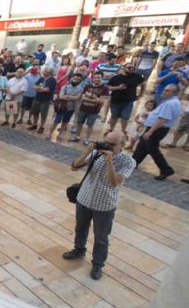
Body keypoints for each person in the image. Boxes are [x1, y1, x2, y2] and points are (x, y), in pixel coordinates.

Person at [63, 131, 136, 280]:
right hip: (84, 198)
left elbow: (114, 182)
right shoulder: (96, 154)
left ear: (123, 145)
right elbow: (74, 167)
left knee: (101, 237)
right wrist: (88, 151)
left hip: (104, 204)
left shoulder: (128, 162)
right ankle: (79, 250)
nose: (107, 146)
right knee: (80, 228)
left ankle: (97, 264)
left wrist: (109, 161)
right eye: (106, 142)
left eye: (112, 144)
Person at [132, 84, 182, 181]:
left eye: (167, 90)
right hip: (156, 129)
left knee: (152, 149)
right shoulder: (172, 102)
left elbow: (162, 119)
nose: (164, 91)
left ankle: (166, 169)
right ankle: (133, 163)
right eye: (164, 89)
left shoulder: (170, 103)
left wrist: (150, 131)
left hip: (156, 130)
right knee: (142, 146)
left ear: (174, 93)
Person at [106, 63, 145, 133]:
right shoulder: (116, 78)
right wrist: (118, 87)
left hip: (128, 102)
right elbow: (108, 88)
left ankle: (123, 131)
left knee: (125, 118)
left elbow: (144, 84)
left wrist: (140, 94)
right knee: (114, 116)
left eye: (133, 68)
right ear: (124, 68)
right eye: (129, 67)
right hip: (115, 101)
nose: (131, 69)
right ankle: (111, 129)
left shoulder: (137, 77)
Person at [73, 72, 109, 145]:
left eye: (98, 78)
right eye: (95, 77)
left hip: (94, 111)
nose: (96, 79)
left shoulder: (105, 88)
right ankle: (77, 136)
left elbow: (102, 101)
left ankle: (87, 139)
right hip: (83, 108)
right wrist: (95, 98)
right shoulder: (87, 86)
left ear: (102, 78)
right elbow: (83, 97)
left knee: (90, 125)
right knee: (79, 123)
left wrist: (90, 95)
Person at [47, 73, 84, 141]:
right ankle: (49, 133)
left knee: (65, 122)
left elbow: (77, 98)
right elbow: (61, 96)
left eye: (78, 80)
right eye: (75, 79)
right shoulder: (65, 86)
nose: (76, 80)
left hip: (71, 109)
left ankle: (60, 134)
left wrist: (67, 96)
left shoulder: (80, 89)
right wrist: (72, 97)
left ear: (80, 80)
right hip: (62, 107)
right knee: (56, 121)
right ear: (72, 78)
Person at [28, 66, 57, 134]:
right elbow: (34, 86)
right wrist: (40, 88)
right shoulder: (41, 78)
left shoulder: (53, 80)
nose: (43, 71)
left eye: (45, 70)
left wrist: (39, 88)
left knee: (43, 115)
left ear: (49, 72)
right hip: (37, 98)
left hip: (45, 100)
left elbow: (47, 90)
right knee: (35, 113)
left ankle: (41, 127)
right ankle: (35, 125)